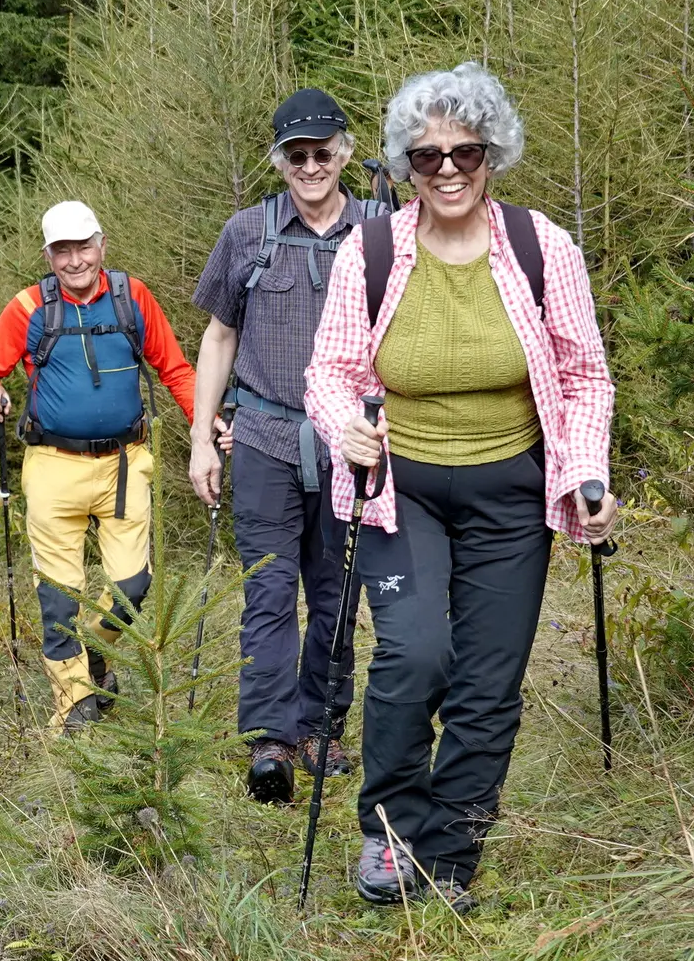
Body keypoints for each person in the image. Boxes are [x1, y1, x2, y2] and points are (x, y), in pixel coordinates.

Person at [303, 61, 618, 913]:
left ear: (493, 155)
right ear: (404, 163)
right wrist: (346, 426)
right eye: (427, 154)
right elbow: (329, 370)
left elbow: (585, 375)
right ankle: (390, 830)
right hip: (396, 487)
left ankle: (449, 859)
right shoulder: (370, 252)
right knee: (413, 652)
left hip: (511, 491)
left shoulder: (540, 247)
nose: (447, 170)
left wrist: (588, 468)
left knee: (487, 681)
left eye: (465, 152)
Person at [188, 88, 390, 804]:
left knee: (338, 592)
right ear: (280, 161)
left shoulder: (381, 228)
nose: (311, 167)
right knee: (269, 590)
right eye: (297, 155)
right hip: (266, 436)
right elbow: (218, 335)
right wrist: (200, 438)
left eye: (323, 153)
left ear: (342, 152)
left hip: (352, 443)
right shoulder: (248, 232)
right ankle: (271, 738)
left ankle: (321, 725)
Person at [0, 201, 197, 734]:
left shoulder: (131, 297)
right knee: (57, 595)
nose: (74, 261)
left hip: (126, 463)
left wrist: (205, 425)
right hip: (51, 465)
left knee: (132, 585)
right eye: (62, 251)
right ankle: (74, 709)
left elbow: (176, 369)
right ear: (48, 256)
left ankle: (93, 656)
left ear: (102, 244)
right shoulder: (28, 307)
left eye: (83, 247)